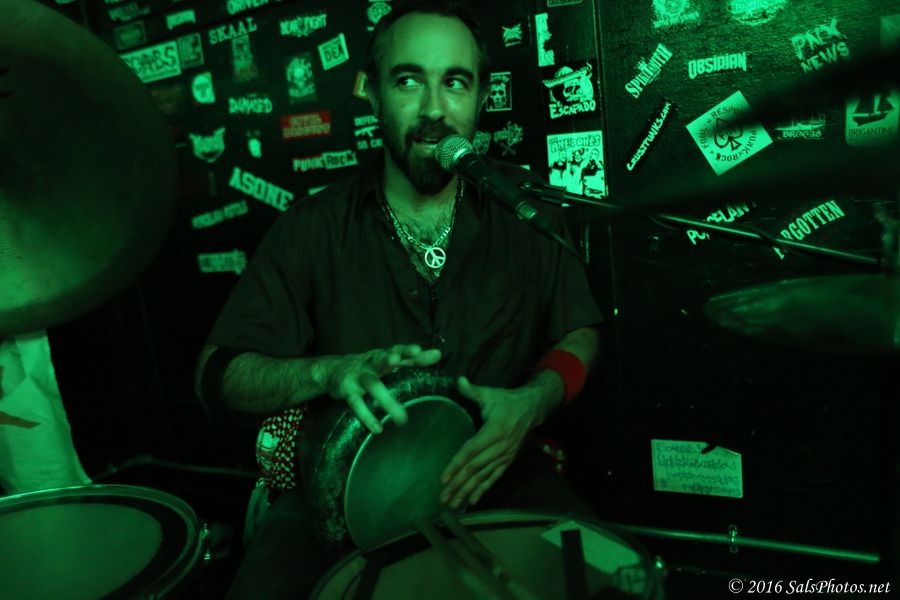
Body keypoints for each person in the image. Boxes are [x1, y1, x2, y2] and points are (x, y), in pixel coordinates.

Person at [194, 1, 603, 597]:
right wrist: (326, 372)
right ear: (372, 92)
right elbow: (218, 373)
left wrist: (533, 401)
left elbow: (580, 329)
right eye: (409, 80)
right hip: (339, 494)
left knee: (605, 577)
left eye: (455, 82)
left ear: (481, 97)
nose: (435, 109)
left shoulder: (526, 211)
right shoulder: (310, 229)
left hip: (496, 475)